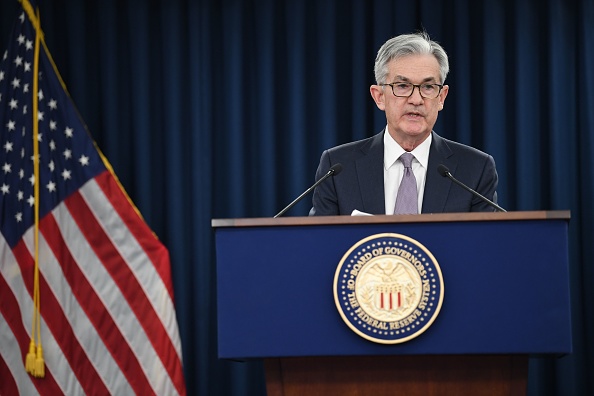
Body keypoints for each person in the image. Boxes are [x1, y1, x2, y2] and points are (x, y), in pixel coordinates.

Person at [310, 31, 500, 216]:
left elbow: (484, 244)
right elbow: (319, 243)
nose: (416, 99)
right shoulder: (337, 167)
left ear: (441, 97)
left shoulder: (475, 169)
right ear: (379, 97)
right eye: (402, 86)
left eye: (428, 87)